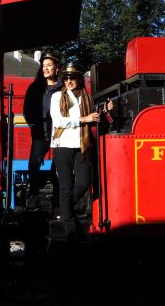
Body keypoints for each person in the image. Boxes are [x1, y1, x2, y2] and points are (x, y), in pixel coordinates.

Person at [50, 62, 113, 241]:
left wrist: (102, 111)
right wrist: (84, 118)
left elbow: (93, 117)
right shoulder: (56, 97)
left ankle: (63, 209)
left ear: (79, 79)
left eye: (73, 77)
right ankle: (70, 228)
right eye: (67, 78)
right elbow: (59, 121)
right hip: (62, 144)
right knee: (66, 185)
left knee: (84, 180)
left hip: (81, 144)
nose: (69, 81)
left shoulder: (86, 97)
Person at [23, 53, 63, 212]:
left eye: (49, 65)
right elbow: (27, 109)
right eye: (43, 65)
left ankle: (58, 205)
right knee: (33, 165)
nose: (45, 68)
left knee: (58, 169)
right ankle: (33, 197)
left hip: (60, 134)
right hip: (41, 134)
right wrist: (33, 124)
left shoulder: (63, 87)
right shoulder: (34, 87)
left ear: (57, 68)